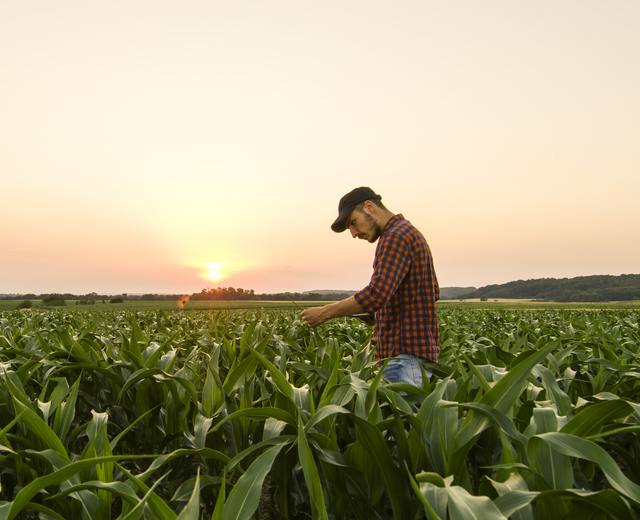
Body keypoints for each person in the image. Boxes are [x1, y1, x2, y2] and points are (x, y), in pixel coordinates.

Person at [301, 187, 440, 387]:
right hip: (413, 357)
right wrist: (375, 314)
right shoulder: (410, 233)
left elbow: (377, 294)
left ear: (369, 207)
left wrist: (324, 313)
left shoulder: (395, 237)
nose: (354, 233)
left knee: (400, 417)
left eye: (353, 223)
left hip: (402, 356)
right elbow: (428, 293)